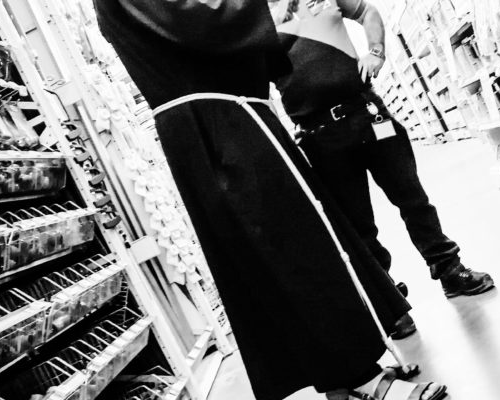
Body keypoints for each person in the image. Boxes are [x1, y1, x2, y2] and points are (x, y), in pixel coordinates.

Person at [94, 1, 447, 400]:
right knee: (294, 247)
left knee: (295, 242)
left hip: (223, 119)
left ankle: (346, 375)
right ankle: (360, 376)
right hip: (222, 123)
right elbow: (203, 19)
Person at [269, 0, 495, 299]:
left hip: (368, 114)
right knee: (356, 222)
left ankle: (449, 269)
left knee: (412, 198)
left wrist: (376, 51)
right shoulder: (252, 19)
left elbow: (367, 12)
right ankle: (386, 295)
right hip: (319, 135)